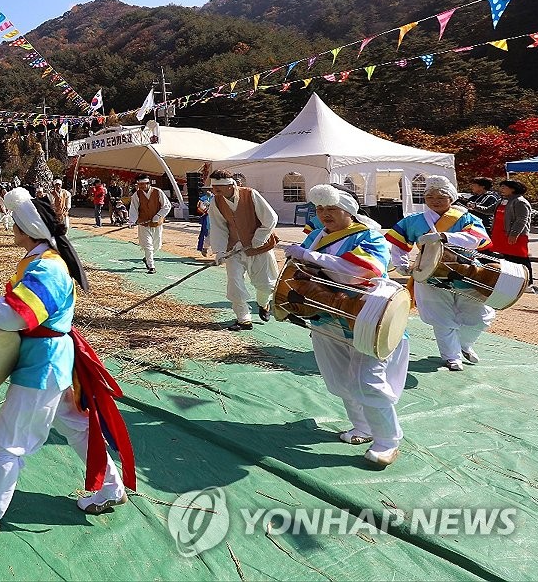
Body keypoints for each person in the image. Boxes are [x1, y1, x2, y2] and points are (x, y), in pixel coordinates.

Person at [0, 189, 136, 535]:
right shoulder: (41, 260)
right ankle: (111, 487)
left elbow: (20, 315)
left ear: (26, 228)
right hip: (50, 361)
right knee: (76, 427)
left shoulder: (47, 268)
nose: (10, 228)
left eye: (13, 223)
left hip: (42, 366)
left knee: (9, 440)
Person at [281, 184, 407, 468]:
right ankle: (361, 427)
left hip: (367, 316)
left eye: (332, 208)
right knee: (339, 378)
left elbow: (362, 271)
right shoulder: (314, 236)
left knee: (368, 380)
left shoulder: (370, 236)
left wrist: (309, 257)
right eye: (320, 209)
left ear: (349, 210)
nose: (325, 214)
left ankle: (388, 441)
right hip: (325, 316)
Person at [385, 176, 493, 371]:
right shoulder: (413, 221)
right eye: (430, 196)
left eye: (441, 197)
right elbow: (399, 245)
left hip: (466, 270)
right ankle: (452, 356)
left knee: (479, 316)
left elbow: (478, 239)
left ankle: (464, 344)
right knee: (442, 317)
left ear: (451, 198)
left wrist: (444, 236)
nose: (435, 200)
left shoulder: (466, 218)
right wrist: (401, 264)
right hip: (428, 273)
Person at [207, 171, 278, 330]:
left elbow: (270, 218)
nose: (215, 192)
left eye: (219, 188)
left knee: (266, 285)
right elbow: (218, 226)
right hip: (234, 249)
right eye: (214, 188)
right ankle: (243, 318)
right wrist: (219, 251)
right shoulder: (216, 202)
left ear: (231, 185)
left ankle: (263, 304)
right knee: (235, 283)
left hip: (259, 247)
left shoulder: (251, 194)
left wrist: (259, 238)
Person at [490, 179, 534, 289]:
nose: (501, 189)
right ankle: (511, 282)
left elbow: (522, 220)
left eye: (504, 187)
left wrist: (514, 234)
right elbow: (490, 210)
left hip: (515, 235)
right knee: (507, 259)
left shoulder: (520, 201)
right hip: (500, 234)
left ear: (513, 189)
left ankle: (528, 283)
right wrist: (474, 206)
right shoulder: (503, 200)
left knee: (520, 259)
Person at [127, 177, 170, 274]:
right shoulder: (136, 195)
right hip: (144, 224)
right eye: (139, 184)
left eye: (143, 184)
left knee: (157, 245)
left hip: (157, 223)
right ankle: (151, 265)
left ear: (148, 183)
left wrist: (158, 215)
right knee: (148, 245)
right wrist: (131, 221)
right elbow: (133, 208)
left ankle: (147, 258)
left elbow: (167, 206)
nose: (141, 186)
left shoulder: (158, 192)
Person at [196, 187, 213, 257]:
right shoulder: (202, 199)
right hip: (208, 219)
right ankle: (205, 248)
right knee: (208, 234)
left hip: (218, 219)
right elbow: (200, 208)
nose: (208, 191)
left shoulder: (217, 198)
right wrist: (206, 210)